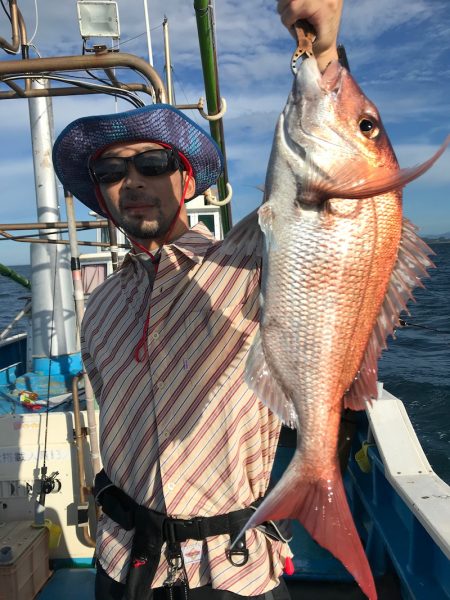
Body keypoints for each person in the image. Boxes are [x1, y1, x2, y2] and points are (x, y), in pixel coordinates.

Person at [52, 2, 343, 599]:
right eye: (111, 171)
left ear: (186, 181)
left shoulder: (248, 263)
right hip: (123, 562)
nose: (131, 182)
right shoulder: (101, 302)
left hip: (230, 570)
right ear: (101, 196)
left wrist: (323, 52)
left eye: (153, 164)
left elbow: (325, 200)